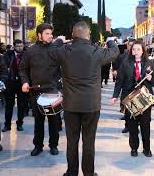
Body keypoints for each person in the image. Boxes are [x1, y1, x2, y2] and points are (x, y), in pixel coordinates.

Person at [48, 21, 119, 176]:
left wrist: (59, 39)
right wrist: (109, 40)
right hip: (91, 105)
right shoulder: (96, 51)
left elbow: (51, 50)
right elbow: (115, 52)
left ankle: (71, 172)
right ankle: (88, 173)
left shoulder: (64, 50)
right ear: (88, 35)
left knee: (72, 141)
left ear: (72, 35)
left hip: (71, 105)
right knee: (89, 142)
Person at [19, 23, 62, 156]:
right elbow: (22, 69)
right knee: (38, 121)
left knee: (54, 121)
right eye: (47, 33)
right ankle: (38, 146)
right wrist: (25, 82)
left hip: (53, 91)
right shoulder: (30, 51)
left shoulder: (56, 49)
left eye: (51, 33)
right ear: (39, 35)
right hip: (36, 92)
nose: (50, 36)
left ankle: (53, 145)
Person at [111, 40, 154, 157]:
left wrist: (150, 78)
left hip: (144, 98)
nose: (136, 51)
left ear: (143, 50)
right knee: (132, 125)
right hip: (129, 97)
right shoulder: (125, 63)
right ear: (131, 51)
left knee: (145, 124)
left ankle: (147, 149)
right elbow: (119, 81)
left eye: (138, 49)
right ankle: (134, 148)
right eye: (134, 49)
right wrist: (115, 96)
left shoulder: (149, 62)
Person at [2, 39, 26, 132]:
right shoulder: (8, 54)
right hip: (10, 82)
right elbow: (4, 66)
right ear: (14, 46)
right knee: (9, 105)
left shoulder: (26, 55)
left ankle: (20, 123)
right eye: (18, 46)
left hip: (22, 82)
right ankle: (7, 125)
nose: (20, 48)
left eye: (21, 46)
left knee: (21, 104)